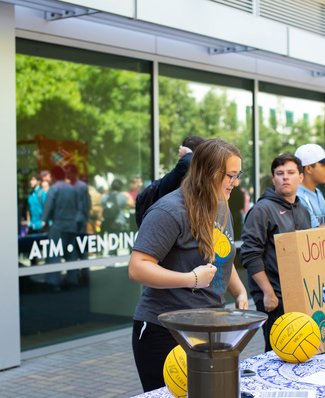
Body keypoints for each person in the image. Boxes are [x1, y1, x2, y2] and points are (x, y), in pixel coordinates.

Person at [128, 138, 248, 392]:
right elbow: (138, 267)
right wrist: (190, 279)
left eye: (238, 175)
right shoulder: (169, 211)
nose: (235, 183)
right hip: (164, 331)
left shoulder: (221, 205)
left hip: (208, 327)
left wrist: (239, 291)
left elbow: (221, 255)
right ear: (209, 172)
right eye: (231, 175)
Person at [240, 154, 311, 352]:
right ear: (273, 179)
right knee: (278, 351)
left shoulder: (303, 210)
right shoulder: (262, 210)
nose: (285, 178)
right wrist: (268, 292)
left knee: (300, 350)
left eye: (290, 173)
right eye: (279, 174)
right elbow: (250, 254)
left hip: (297, 295)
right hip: (274, 298)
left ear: (301, 177)